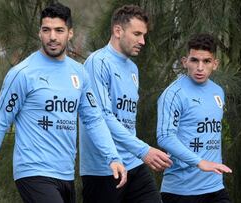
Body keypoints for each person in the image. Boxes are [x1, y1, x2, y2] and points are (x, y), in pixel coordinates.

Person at [0, 3, 127, 203]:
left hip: (66, 174)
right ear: (39, 33)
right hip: (33, 171)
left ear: (70, 33)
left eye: (59, 30)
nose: (52, 36)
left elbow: (94, 119)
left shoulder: (79, 73)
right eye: (47, 30)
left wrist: (112, 157)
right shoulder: (22, 73)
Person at [79, 4, 172, 203]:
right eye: (137, 34)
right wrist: (143, 150)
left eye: (144, 35)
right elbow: (102, 117)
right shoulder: (97, 63)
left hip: (133, 164)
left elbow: (126, 120)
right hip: (104, 169)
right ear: (118, 30)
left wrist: (137, 152)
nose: (142, 41)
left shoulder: (132, 69)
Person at [156, 33, 233, 203]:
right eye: (194, 60)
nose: (200, 67)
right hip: (181, 191)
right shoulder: (173, 94)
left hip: (215, 187)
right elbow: (165, 137)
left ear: (215, 64)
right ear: (185, 62)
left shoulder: (218, 92)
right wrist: (199, 162)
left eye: (206, 61)